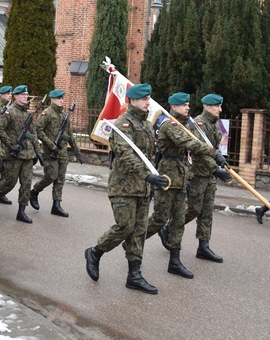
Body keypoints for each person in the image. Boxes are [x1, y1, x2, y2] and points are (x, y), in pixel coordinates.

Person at [84, 84, 168, 293]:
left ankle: (134, 275)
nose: (148, 102)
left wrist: (152, 177)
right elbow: (126, 155)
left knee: (139, 231)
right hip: (123, 187)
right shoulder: (123, 125)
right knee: (125, 227)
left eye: (149, 98)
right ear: (132, 101)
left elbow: (148, 157)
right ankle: (95, 252)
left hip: (143, 188)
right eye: (144, 99)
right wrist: (147, 175)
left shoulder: (147, 125)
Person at [145, 92, 226, 279]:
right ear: (173, 107)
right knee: (160, 217)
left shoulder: (186, 124)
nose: (188, 107)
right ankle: (134, 242)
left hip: (182, 174)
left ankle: (176, 260)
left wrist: (216, 161)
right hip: (172, 175)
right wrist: (215, 159)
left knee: (185, 217)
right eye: (184, 105)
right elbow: (191, 144)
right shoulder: (171, 125)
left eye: (188, 104)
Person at [174, 93, 232, 263]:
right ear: (207, 106)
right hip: (198, 174)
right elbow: (199, 153)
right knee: (194, 210)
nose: (220, 109)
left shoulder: (215, 125)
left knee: (207, 212)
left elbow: (213, 148)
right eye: (216, 106)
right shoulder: (198, 124)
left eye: (220, 106)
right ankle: (170, 228)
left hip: (210, 176)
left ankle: (203, 247)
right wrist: (216, 169)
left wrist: (221, 160)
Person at [0, 85, 44, 223]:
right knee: (9, 182)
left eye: (27, 95)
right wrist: (11, 145)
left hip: (28, 155)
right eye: (23, 95)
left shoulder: (27, 114)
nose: (26, 97)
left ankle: (21, 212)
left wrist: (39, 153)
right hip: (13, 154)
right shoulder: (9, 111)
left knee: (26, 184)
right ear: (16, 96)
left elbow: (33, 135)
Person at [31, 89, 83, 217]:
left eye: (62, 98)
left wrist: (77, 152)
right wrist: (51, 144)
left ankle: (56, 205)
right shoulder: (46, 114)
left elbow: (70, 135)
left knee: (60, 180)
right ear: (52, 99)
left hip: (62, 153)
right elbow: (38, 130)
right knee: (50, 176)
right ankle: (34, 191)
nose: (62, 100)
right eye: (59, 98)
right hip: (50, 152)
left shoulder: (64, 116)